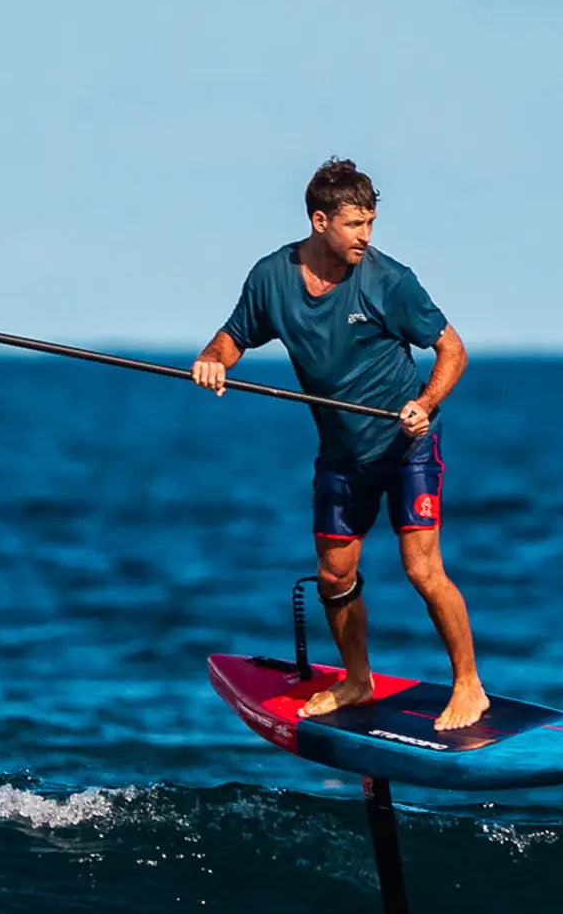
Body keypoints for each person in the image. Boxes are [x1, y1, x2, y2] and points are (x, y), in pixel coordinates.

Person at [191, 158, 489, 731]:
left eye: (372, 222)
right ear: (320, 220)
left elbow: (453, 351)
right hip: (341, 453)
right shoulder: (272, 277)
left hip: (407, 444)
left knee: (422, 569)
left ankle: (469, 686)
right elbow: (233, 338)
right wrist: (212, 362)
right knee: (333, 575)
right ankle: (357, 679)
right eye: (356, 225)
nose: (366, 237)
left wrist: (423, 406)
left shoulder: (389, 281)